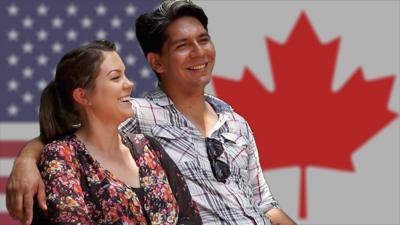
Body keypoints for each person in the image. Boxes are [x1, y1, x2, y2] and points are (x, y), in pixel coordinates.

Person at [7, 1, 296, 225]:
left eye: (203, 40)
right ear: (156, 62)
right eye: (183, 46)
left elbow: (265, 205)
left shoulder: (236, 123)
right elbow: (75, 136)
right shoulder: (137, 115)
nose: (199, 52)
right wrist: (26, 160)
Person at [27, 40, 201, 224]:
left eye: (124, 75)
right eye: (115, 77)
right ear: (83, 96)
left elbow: (190, 217)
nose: (129, 84)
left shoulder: (149, 147)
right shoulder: (61, 156)